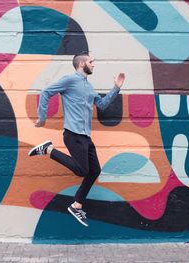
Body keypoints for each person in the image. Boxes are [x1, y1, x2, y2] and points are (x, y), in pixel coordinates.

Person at [28, 52, 125, 227]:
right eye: (90, 62)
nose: (93, 64)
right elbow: (46, 92)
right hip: (73, 135)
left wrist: (116, 88)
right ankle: (49, 150)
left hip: (85, 137)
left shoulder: (89, 87)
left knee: (94, 171)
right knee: (81, 171)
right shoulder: (69, 80)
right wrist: (42, 117)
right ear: (81, 64)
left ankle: (76, 205)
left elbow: (102, 105)